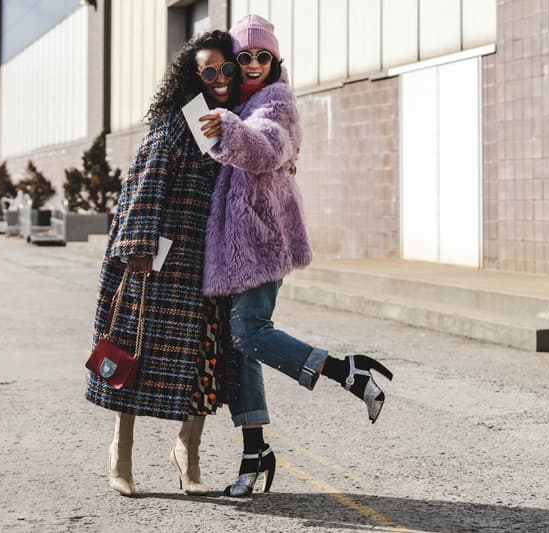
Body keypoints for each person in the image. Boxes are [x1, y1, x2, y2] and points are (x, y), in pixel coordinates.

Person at [199, 15, 394, 497]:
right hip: (234, 248)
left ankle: (346, 372)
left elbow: (266, 148)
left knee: (249, 332)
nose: (253, 65)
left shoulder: (276, 101)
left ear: (275, 62)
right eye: (244, 57)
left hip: (265, 240)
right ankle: (255, 452)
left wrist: (226, 126)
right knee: (236, 345)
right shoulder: (239, 101)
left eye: (263, 57)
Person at [85, 30, 239, 497]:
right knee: (135, 350)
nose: (218, 78)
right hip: (161, 255)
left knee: (204, 359)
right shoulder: (176, 120)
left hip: (210, 258)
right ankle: (121, 452)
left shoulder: (232, 122)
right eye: (207, 71)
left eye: (225, 68)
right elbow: (145, 179)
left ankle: (186, 452)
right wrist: (138, 245)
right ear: (192, 77)